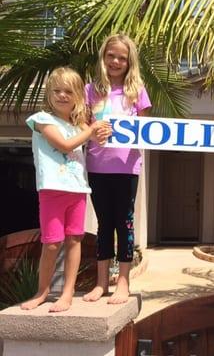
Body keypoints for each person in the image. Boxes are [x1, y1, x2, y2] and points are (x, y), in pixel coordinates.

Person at [23, 67, 109, 312]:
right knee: (51, 243)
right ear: (49, 93)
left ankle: (68, 292)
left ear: (77, 96)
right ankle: (42, 291)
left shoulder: (79, 123)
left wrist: (103, 128)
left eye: (68, 91)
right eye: (57, 90)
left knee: (74, 240)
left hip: (78, 190)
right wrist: (91, 131)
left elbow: (98, 139)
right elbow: (64, 144)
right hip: (52, 189)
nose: (62, 95)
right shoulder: (42, 120)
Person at [83, 34, 151, 304]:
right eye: (111, 55)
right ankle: (101, 283)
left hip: (127, 168)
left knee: (125, 224)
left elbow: (146, 132)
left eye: (122, 57)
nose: (116, 61)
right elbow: (82, 127)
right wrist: (92, 133)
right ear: (103, 56)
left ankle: (123, 281)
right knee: (103, 225)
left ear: (129, 61)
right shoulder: (90, 90)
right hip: (97, 166)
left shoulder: (138, 93)